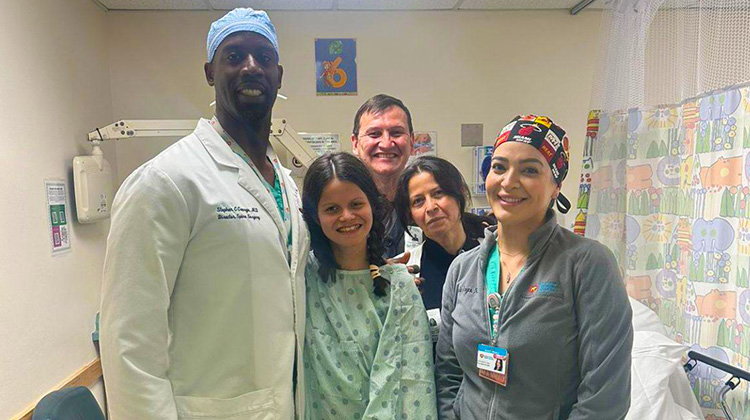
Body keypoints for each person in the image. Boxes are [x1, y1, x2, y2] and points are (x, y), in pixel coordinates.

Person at [100, 9, 309, 419]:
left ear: (279, 75)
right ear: (210, 72)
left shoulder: (285, 183)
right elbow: (129, 342)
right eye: (234, 56)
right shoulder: (167, 181)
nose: (251, 67)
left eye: (263, 58)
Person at [436, 115, 633, 419]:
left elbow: (605, 398)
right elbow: (448, 374)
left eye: (529, 170)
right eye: (499, 167)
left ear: (556, 186)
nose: (508, 181)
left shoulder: (586, 264)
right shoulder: (462, 269)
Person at [301, 152, 437, 419]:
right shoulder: (305, 281)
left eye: (355, 204)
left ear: (372, 206)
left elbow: (415, 384)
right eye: (332, 209)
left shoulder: (399, 287)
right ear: (315, 216)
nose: (346, 216)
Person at [394, 156, 493, 312]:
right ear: (410, 214)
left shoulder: (494, 253)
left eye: (438, 193)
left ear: (459, 195)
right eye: (418, 201)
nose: (430, 207)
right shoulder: (405, 271)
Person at [351, 94, 414, 257]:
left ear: (412, 142)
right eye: (374, 134)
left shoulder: (425, 204)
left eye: (396, 133)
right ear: (355, 143)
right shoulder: (341, 206)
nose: (386, 144)